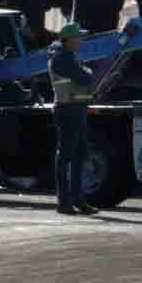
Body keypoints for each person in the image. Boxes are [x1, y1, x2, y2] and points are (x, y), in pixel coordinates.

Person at [48, 23, 99, 216]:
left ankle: (78, 201)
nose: (81, 41)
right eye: (78, 37)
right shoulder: (62, 59)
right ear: (68, 40)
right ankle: (64, 202)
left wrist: (84, 71)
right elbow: (85, 79)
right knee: (67, 157)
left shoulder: (68, 58)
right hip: (68, 111)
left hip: (75, 110)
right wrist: (88, 72)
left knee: (78, 156)